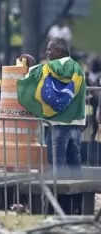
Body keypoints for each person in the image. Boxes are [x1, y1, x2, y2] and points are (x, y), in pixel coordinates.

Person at [42, 37, 85, 177]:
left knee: (56, 163)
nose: (47, 53)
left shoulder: (55, 66)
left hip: (59, 122)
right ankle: (78, 198)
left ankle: (58, 198)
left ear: (59, 51)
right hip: (76, 123)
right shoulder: (78, 68)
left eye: (50, 49)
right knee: (74, 164)